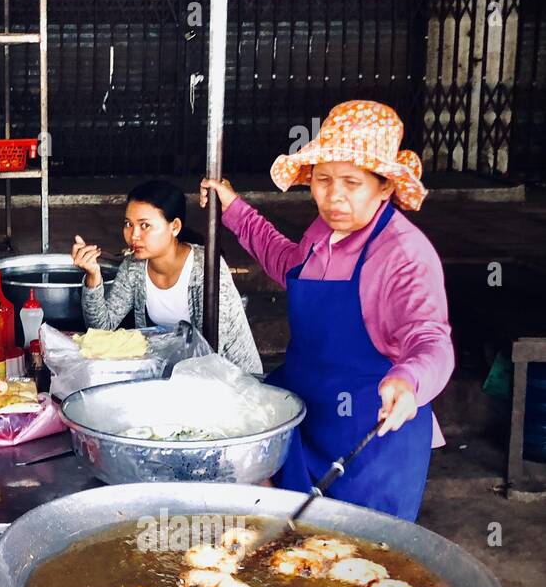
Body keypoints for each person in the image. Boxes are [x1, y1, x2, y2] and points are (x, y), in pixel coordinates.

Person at [201, 100, 455, 522]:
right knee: (290, 554)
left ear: (385, 187)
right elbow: (288, 263)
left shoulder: (404, 254)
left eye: (352, 183)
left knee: (354, 563)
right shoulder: (325, 232)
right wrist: (234, 209)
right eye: (323, 180)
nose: (334, 197)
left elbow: (430, 339)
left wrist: (409, 381)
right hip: (309, 417)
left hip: (369, 438)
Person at [72, 178, 262, 374]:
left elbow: (214, 352)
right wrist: (93, 276)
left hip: (233, 381)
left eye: (145, 225)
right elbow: (102, 329)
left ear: (175, 227)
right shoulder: (134, 267)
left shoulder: (206, 269)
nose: (133, 235)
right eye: (128, 224)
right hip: (174, 375)